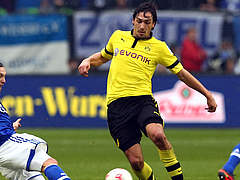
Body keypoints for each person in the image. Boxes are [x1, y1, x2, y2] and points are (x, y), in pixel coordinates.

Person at [78, 2, 217, 180]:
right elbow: (103, 56)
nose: (142, 26)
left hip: (142, 101)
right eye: (139, 21)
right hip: (117, 107)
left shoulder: (159, 47)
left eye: (147, 22)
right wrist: (88, 60)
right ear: (133, 21)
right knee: (136, 163)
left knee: (157, 135)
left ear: (153, 25)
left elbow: (181, 73)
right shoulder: (118, 37)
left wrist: (207, 94)